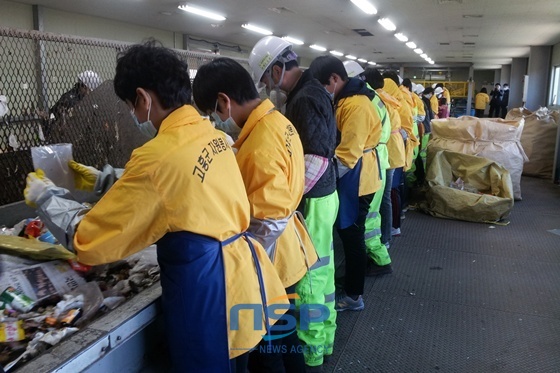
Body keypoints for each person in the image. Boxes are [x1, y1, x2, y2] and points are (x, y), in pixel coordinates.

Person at [23, 41, 288, 373]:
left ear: (144, 98)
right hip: (244, 281)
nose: (134, 116)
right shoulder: (212, 134)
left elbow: (89, 240)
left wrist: (48, 199)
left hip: (207, 296)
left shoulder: (156, 157)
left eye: (131, 106)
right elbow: (178, 184)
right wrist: (105, 180)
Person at [193, 57, 318, 373]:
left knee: (268, 350)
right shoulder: (277, 122)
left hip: (271, 259)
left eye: (215, 113)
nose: (219, 120)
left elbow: (269, 219)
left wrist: (240, 261)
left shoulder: (259, 145)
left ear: (225, 101)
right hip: (289, 249)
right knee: (286, 337)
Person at [249, 36, 339, 371]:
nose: (267, 87)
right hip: (326, 195)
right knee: (324, 270)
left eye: (265, 80)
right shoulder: (316, 90)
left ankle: (311, 349)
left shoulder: (303, 98)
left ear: (276, 69)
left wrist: (288, 200)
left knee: (310, 276)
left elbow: (314, 156)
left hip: (313, 198)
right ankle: (325, 338)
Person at [308, 55, 383, 312]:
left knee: (353, 235)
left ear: (335, 79)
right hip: (356, 174)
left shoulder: (357, 106)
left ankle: (354, 295)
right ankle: (352, 284)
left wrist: (319, 179)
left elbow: (348, 156)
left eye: (323, 86)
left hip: (359, 178)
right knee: (349, 233)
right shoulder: (346, 100)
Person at [344, 63, 393, 277]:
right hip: (377, 156)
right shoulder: (373, 97)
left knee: (369, 218)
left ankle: (380, 261)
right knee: (372, 215)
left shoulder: (364, 101)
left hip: (370, 159)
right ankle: (375, 258)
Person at [363, 68, 406, 263]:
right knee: (387, 197)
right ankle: (388, 234)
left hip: (383, 154)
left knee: (383, 199)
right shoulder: (388, 99)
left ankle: (386, 237)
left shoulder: (375, 100)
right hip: (390, 151)